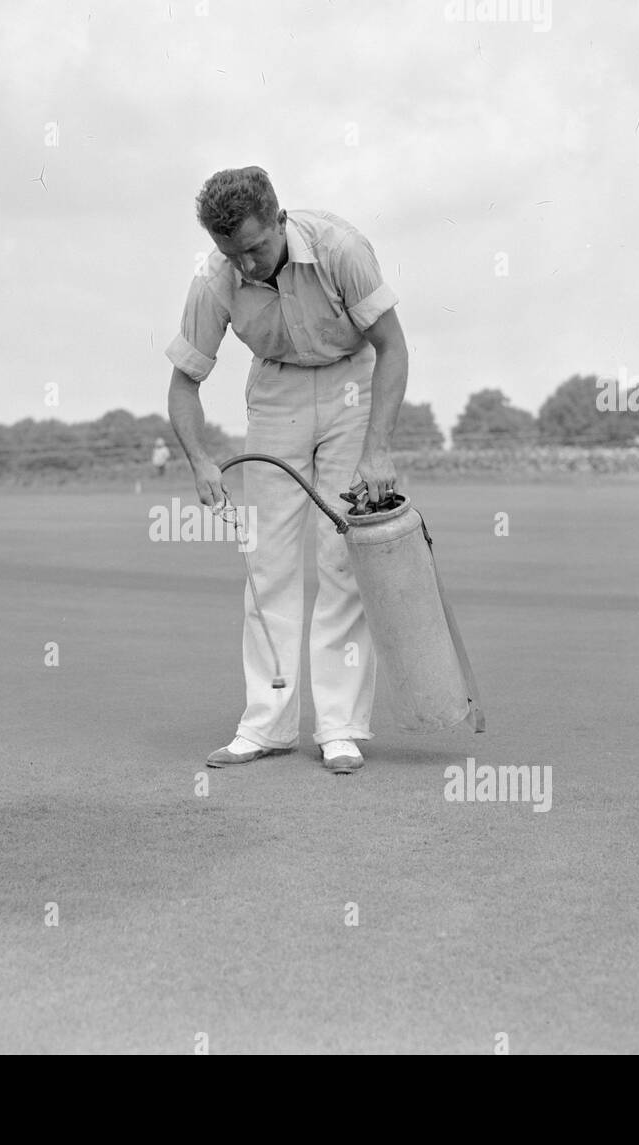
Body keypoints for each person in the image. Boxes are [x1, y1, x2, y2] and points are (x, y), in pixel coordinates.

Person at [166, 166, 407, 774]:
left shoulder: (339, 249)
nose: (245, 265)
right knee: (267, 563)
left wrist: (378, 448)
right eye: (231, 253)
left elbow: (393, 348)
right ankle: (266, 726)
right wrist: (200, 461)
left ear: (279, 219)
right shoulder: (214, 277)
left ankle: (339, 728)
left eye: (255, 248)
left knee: (341, 558)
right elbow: (184, 381)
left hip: (352, 383)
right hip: (275, 395)